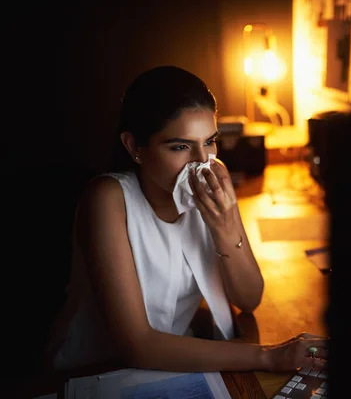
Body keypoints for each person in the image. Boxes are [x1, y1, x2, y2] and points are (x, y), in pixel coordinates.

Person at [44, 65, 327, 374]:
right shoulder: (107, 198)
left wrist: (225, 224)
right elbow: (137, 346)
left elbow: (249, 299)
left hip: (174, 367)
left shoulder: (207, 192)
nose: (201, 162)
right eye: (180, 146)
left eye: (209, 142)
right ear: (134, 147)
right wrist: (268, 357)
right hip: (92, 372)